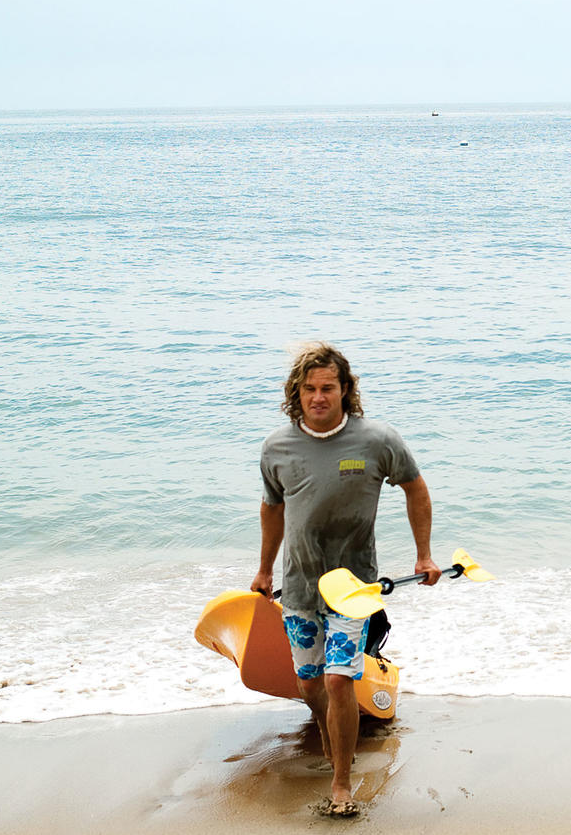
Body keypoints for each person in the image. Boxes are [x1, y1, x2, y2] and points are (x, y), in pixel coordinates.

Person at [252, 343, 441, 817]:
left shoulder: (377, 440)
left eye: (328, 388)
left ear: (345, 390)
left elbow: (415, 487)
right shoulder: (277, 447)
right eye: (310, 388)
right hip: (298, 588)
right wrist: (262, 569)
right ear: (296, 392)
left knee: (338, 682)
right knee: (310, 683)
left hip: (354, 590)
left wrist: (424, 555)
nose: (319, 397)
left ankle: (342, 784)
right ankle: (339, 731)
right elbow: (272, 510)